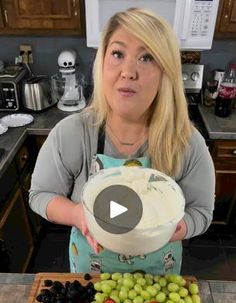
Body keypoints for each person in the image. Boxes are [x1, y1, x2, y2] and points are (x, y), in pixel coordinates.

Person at [29, 8, 215, 275]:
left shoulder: (186, 142)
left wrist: (171, 229)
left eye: (146, 57)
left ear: (166, 72)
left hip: (158, 284)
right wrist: (77, 215)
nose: (128, 71)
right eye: (117, 53)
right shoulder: (72, 133)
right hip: (90, 281)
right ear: (102, 62)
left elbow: (201, 211)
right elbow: (40, 195)